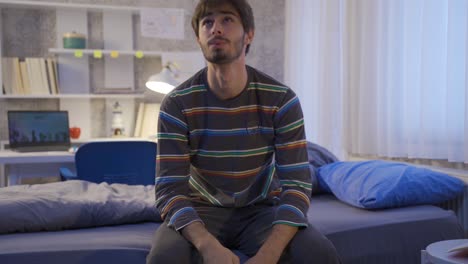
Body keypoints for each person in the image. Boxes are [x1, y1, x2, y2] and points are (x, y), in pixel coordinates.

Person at [146, 0, 341, 263]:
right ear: (198, 37)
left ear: (249, 34)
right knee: (164, 258)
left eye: (227, 19)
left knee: (319, 255)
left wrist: (268, 255)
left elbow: (296, 186)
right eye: (208, 22)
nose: (216, 29)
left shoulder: (281, 100)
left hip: (260, 211)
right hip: (201, 210)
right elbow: (170, 190)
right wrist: (206, 245)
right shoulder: (177, 104)